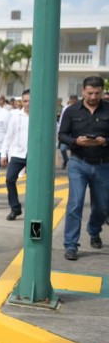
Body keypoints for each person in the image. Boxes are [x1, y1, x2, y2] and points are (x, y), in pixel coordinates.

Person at [58, 76, 109, 261]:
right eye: (90, 93)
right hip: (78, 163)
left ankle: (94, 231)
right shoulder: (71, 111)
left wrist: (105, 141)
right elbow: (62, 135)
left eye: (97, 93)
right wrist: (75, 141)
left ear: (102, 91)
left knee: (102, 207)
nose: (93, 96)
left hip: (103, 164)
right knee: (75, 204)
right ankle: (71, 245)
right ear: (83, 91)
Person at [1, 90, 30, 221]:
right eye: (25, 101)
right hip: (18, 153)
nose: (28, 103)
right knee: (9, 179)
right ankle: (15, 208)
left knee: (34, 183)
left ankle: (33, 208)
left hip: (34, 155)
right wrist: (4, 154)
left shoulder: (40, 116)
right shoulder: (16, 116)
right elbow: (9, 136)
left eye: (30, 100)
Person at [58, 94, 78, 169]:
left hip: (75, 133)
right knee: (63, 148)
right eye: (71, 101)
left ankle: (73, 165)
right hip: (66, 132)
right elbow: (61, 119)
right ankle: (66, 160)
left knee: (74, 150)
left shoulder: (79, 109)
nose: (72, 103)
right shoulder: (66, 108)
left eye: (74, 101)